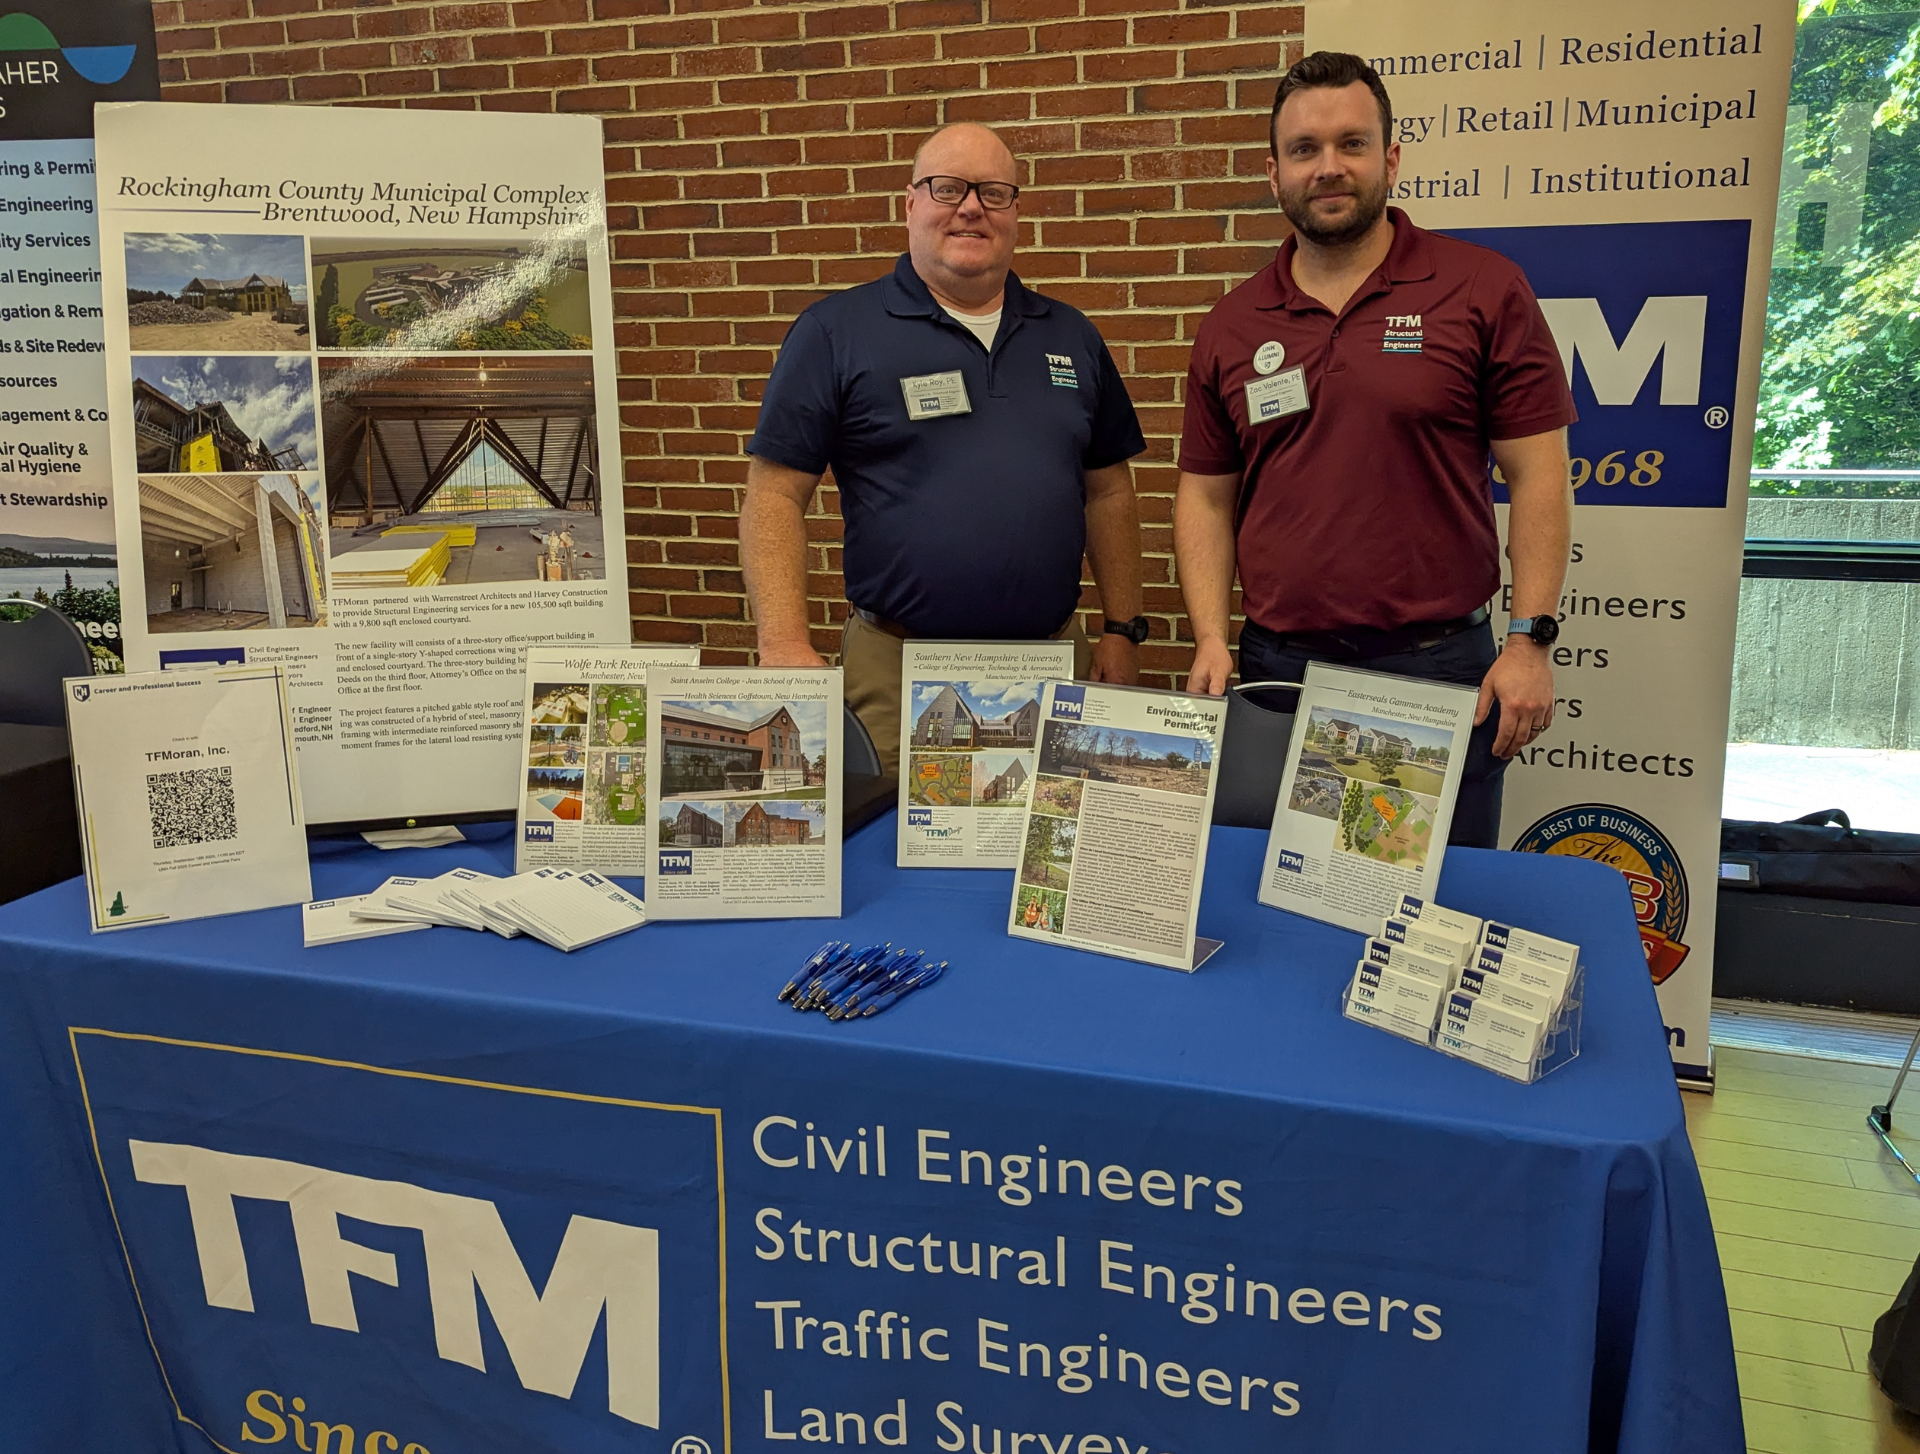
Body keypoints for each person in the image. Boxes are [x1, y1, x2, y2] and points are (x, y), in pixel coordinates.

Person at [1174, 51, 1576, 848]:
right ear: (1275, 171)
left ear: (1390, 158)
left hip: (1435, 669)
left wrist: (1529, 638)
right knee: (1282, 902)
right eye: (1305, 149)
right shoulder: (1233, 323)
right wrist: (1212, 637)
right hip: (1279, 672)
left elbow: (1539, 472)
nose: (1329, 167)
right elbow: (1205, 494)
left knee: (1430, 911)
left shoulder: (1482, 288)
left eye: (1351, 144)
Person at [742, 122, 1149, 785]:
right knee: (893, 857)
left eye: (993, 191)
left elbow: (1110, 490)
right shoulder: (835, 332)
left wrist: (1122, 628)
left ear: (1015, 212)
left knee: (1046, 858)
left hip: (1052, 669)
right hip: (898, 675)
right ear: (910, 204)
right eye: (947, 188)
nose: (970, 207)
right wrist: (783, 639)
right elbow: (775, 493)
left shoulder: (1071, 336)